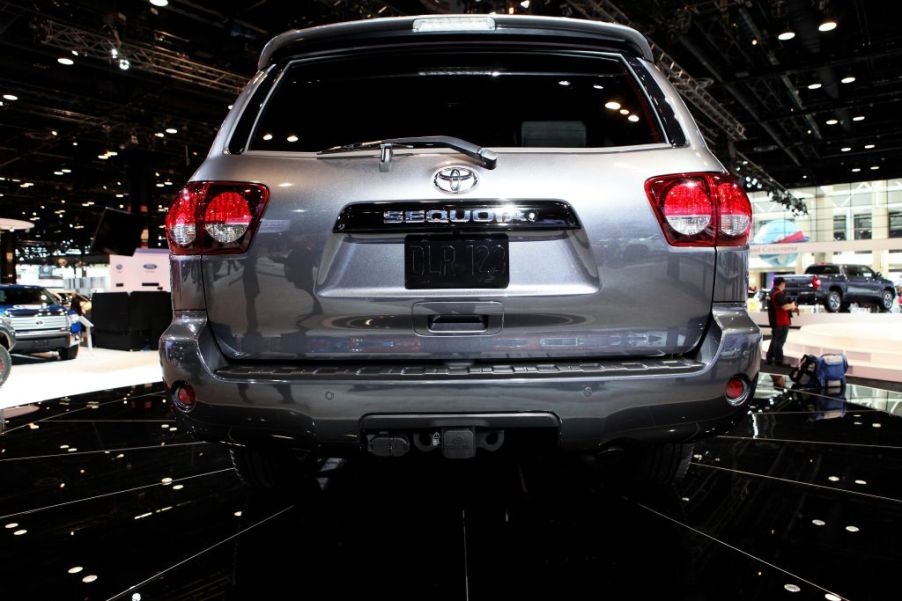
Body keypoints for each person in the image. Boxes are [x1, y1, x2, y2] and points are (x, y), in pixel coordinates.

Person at [766, 277, 798, 366]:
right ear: (782, 284)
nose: (785, 286)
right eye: (784, 284)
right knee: (779, 342)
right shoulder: (778, 294)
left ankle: (769, 359)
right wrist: (793, 305)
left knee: (775, 340)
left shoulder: (771, 293)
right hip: (781, 321)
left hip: (774, 321)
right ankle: (778, 361)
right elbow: (785, 307)